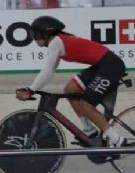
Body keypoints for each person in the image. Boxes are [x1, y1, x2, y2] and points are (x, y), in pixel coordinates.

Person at [17, 16, 126, 147]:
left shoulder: (55, 42)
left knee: (87, 105)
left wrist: (31, 90)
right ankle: (89, 132)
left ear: (45, 33)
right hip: (102, 65)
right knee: (70, 89)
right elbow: (50, 72)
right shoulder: (58, 40)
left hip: (110, 66)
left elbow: (48, 72)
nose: (34, 37)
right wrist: (32, 89)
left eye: (35, 34)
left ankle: (118, 140)